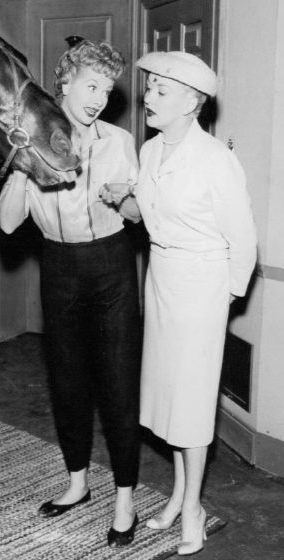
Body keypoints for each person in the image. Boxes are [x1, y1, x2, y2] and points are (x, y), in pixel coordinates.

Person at [0, 39, 142, 548]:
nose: (99, 97)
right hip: (58, 266)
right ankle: (77, 481)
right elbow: (10, 224)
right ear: (65, 84)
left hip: (111, 264)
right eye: (91, 85)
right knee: (68, 379)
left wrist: (121, 198)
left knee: (119, 382)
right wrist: (19, 167)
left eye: (106, 88)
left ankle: (125, 497)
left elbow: (137, 217)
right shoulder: (32, 140)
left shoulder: (120, 142)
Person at [135, 51, 257, 556]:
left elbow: (244, 240)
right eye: (150, 87)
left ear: (193, 103)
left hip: (202, 286)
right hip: (161, 277)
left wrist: (222, 297)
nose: (148, 96)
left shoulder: (215, 158)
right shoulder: (150, 152)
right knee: (168, 399)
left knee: (191, 403)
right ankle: (181, 493)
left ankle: (193, 510)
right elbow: (151, 215)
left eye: (162, 91)